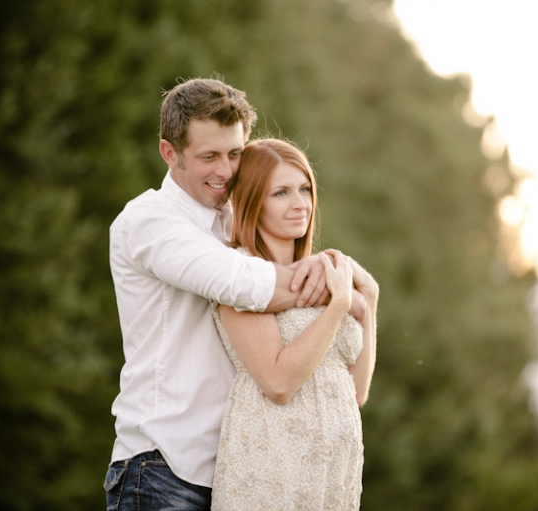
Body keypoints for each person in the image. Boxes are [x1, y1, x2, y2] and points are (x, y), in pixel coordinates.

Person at [104, 78, 363, 510]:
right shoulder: (149, 222)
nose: (225, 170)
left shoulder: (235, 219)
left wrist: (343, 280)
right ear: (171, 153)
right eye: (209, 157)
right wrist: (332, 287)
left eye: (235, 153)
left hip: (237, 469)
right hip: (162, 467)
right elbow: (245, 285)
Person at [210, 138, 379, 510]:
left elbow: (358, 392)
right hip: (273, 465)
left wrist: (370, 298)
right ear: (254, 202)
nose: (300, 203)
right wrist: (339, 308)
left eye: (304, 189)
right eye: (281, 193)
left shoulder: (325, 278)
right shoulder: (241, 277)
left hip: (332, 470)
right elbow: (278, 383)